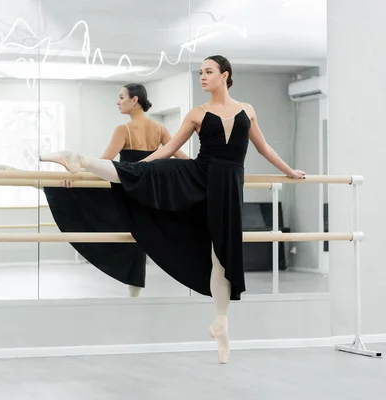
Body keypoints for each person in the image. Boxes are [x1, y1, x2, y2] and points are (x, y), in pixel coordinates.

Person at [39, 55, 306, 364]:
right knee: (143, 174)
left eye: (208, 72)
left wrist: (289, 170)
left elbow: (263, 147)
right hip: (198, 174)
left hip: (228, 186)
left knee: (222, 255)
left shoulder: (247, 110)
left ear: (225, 75)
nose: (203, 77)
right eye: (201, 72)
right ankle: (80, 160)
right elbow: (167, 149)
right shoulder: (197, 113)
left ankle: (221, 325)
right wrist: (137, 168)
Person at [43, 83, 188, 298]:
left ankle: (44, 173)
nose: (118, 102)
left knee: (98, 212)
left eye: (121, 97)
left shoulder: (124, 129)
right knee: (137, 237)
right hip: (148, 193)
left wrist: (78, 177)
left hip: (127, 188)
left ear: (135, 100)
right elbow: (182, 158)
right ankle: (134, 295)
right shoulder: (159, 129)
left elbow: (104, 162)